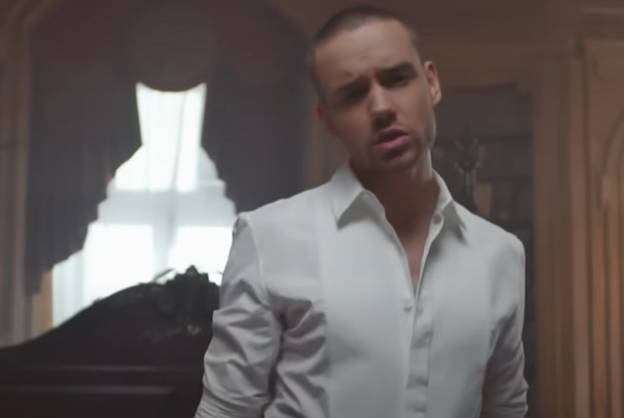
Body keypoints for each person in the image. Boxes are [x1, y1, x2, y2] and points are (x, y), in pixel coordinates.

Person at [195, 5, 528, 418]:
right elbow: (226, 410)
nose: (381, 107)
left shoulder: (501, 254)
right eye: (352, 95)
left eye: (397, 79)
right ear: (328, 119)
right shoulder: (268, 238)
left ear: (431, 83)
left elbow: (506, 407)